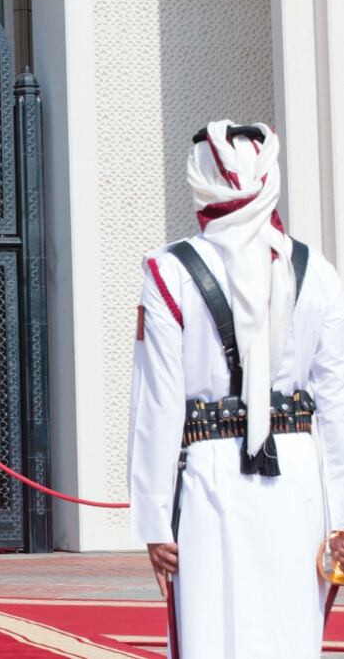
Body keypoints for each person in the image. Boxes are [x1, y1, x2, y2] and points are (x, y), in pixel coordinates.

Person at [128, 120, 344, 657]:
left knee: (214, 635)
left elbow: (159, 403)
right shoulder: (316, 270)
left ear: (201, 181)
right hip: (299, 474)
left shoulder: (169, 271)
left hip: (211, 473)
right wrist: (341, 514)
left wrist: (154, 518)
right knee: (290, 635)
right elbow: (337, 401)